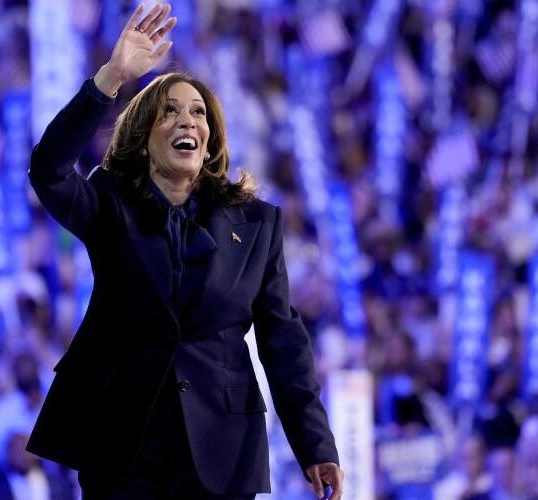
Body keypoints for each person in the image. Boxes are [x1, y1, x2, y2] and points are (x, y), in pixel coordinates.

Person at [26, 4, 344, 499]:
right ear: (143, 137)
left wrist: (316, 445)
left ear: (211, 137)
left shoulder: (258, 225)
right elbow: (48, 171)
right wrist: (109, 79)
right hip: (121, 445)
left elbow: (285, 344)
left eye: (197, 112)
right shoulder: (109, 202)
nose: (186, 120)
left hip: (221, 449)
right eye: (169, 111)